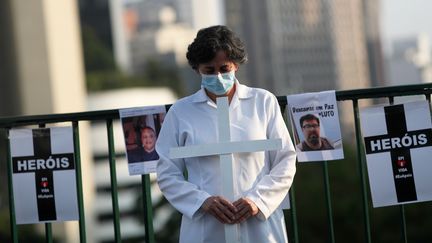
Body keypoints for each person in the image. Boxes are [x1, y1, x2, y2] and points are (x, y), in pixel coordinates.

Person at [155, 25, 297, 243]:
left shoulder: (263, 102)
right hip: (205, 226)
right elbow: (167, 172)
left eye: (224, 68)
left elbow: (285, 159)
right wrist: (202, 201)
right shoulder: (180, 112)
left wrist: (256, 200)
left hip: (259, 223)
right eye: (209, 70)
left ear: (236, 66)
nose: (218, 76)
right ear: (197, 69)